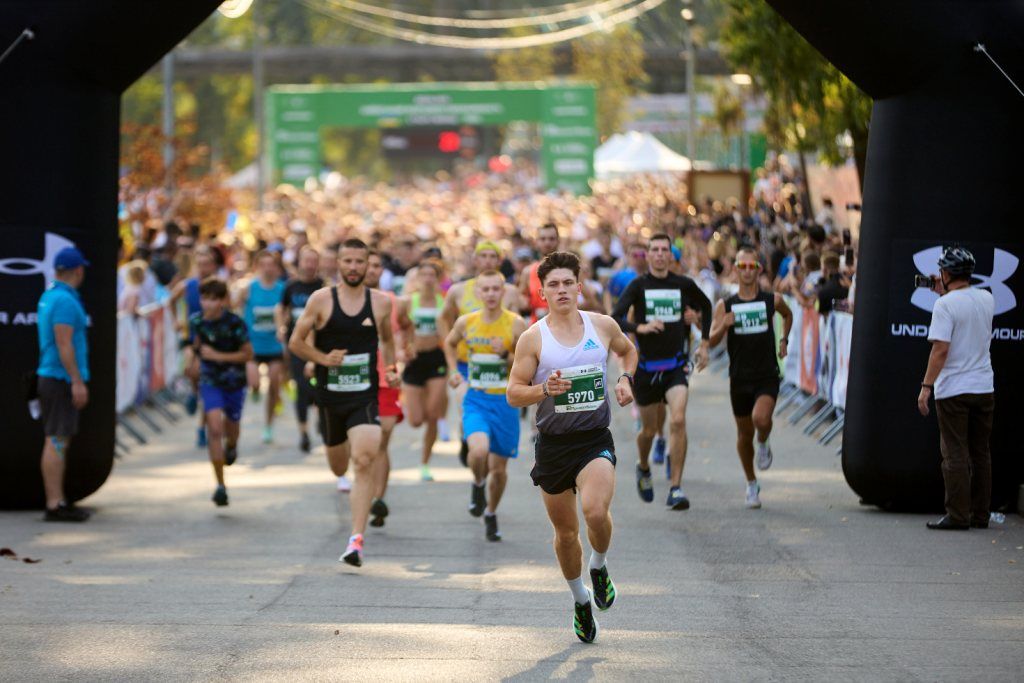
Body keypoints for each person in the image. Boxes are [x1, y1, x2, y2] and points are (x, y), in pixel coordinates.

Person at [507, 251, 638, 644]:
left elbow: (628, 351)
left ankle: (599, 565)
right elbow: (513, 393)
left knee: (595, 511)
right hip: (553, 445)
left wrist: (625, 379)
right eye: (554, 284)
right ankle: (580, 599)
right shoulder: (533, 338)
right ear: (543, 293)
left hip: (594, 437)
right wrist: (544, 389)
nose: (562, 290)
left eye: (568, 282)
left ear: (579, 287)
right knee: (566, 534)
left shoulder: (602, 325)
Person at [288, 238, 399, 566]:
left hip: (364, 396)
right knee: (339, 466)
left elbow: (387, 340)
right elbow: (296, 342)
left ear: (367, 265)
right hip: (330, 398)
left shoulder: (380, 303)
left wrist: (392, 369)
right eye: (347, 261)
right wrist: (323, 359)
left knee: (364, 460)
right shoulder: (321, 300)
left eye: (359, 261)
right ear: (338, 264)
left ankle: (356, 540)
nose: (353, 267)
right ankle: (342, 449)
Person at [610, 234, 712, 510]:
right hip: (646, 369)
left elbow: (705, 305)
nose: (658, 254)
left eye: (663, 250)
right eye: (653, 249)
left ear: (670, 255)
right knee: (649, 430)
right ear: (648, 255)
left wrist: (704, 343)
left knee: (678, 420)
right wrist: (640, 328)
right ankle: (643, 465)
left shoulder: (682, 284)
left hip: (675, 367)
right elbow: (616, 317)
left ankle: (676, 488)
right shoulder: (638, 285)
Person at [443, 270, 527, 541]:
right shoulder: (467, 322)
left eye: (495, 289)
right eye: (485, 289)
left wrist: (505, 354)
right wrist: (453, 371)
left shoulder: (515, 324)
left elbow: (528, 361)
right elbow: (449, 343)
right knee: (478, 452)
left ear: (503, 292)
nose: (490, 294)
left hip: (505, 403)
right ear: (478, 292)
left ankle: (491, 512)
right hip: (476, 399)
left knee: (499, 470)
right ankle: (478, 484)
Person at [708, 247, 793, 509]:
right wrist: (724, 325)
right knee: (744, 435)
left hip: (766, 374)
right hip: (739, 378)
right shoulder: (725, 305)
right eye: (742, 266)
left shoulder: (772, 300)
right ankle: (751, 483)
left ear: (759, 269)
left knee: (761, 419)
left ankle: (764, 440)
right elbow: (711, 341)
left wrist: (783, 339)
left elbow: (788, 314)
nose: (746, 271)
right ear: (735, 269)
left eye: (751, 266)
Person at [918, 246, 995, 531]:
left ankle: (958, 515)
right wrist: (945, 294)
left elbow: (940, 349)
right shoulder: (987, 298)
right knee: (980, 453)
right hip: (984, 386)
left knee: (954, 453)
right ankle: (981, 514)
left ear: (946, 273)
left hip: (953, 389)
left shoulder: (945, 306)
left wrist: (926, 386)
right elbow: (966, 312)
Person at [439, 240, 522, 465]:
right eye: (483, 256)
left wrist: (508, 354)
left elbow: (517, 335)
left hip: (501, 367)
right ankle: (471, 437)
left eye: (492, 256)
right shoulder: (458, 290)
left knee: (496, 450)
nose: (488, 261)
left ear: (500, 260)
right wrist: (452, 356)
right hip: (467, 364)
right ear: (475, 260)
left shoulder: (511, 292)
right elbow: (444, 319)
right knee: (465, 404)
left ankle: (478, 440)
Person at [36, 247, 92, 522]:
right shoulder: (65, 301)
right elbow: (64, 342)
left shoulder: (50, 296)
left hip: (53, 376)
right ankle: (55, 503)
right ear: (78, 270)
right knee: (56, 439)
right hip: (59, 379)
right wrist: (76, 381)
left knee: (57, 438)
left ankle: (57, 501)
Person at [188, 277, 253, 507]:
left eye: (214, 299)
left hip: (234, 381)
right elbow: (195, 345)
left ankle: (232, 446)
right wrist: (192, 363)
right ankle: (220, 485)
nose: (209, 304)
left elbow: (247, 354)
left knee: (231, 429)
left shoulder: (235, 323)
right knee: (215, 428)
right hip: (210, 381)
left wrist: (218, 356)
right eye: (205, 298)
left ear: (223, 300)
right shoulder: (196, 321)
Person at [365, 248, 415, 526]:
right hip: (356, 379)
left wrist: (407, 347)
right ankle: (364, 486)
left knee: (381, 439)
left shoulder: (393, 302)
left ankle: (378, 499)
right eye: (368, 265)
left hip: (386, 378)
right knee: (362, 443)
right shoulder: (343, 302)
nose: (372, 270)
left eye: (376, 266)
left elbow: (407, 327)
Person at [400, 259, 448, 482]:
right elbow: (400, 330)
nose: (428, 279)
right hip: (414, 361)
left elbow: (450, 334)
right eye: (424, 275)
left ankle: (425, 463)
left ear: (438, 279)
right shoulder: (409, 301)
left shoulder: (443, 302)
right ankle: (413, 404)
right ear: (418, 278)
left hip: (436, 359)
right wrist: (402, 351)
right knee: (416, 420)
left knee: (432, 415)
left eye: (432, 275)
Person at [278, 245, 323, 453]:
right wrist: (281, 327)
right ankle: (303, 432)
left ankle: (321, 416)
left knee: (318, 386)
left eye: (314, 261)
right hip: (297, 344)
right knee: (302, 387)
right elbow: (281, 308)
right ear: (300, 262)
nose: (310, 265)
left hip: (320, 345)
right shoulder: (291, 286)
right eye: (307, 260)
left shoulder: (323, 287)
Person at [238, 250, 286, 444]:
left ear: (276, 267)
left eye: (271, 264)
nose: (267, 268)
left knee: (274, 384)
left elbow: (287, 312)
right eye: (263, 264)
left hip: (274, 346)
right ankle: (256, 390)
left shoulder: (282, 289)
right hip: (253, 346)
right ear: (257, 267)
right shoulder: (249, 288)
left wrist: (283, 326)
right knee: (255, 383)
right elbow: (235, 308)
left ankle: (268, 425)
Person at [170, 246, 218, 441]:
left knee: (209, 385)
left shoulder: (219, 287)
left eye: (207, 264)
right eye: (200, 264)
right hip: (191, 338)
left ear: (213, 266)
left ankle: (201, 427)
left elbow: (229, 308)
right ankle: (193, 391)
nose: (203, 268)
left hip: (213, 342)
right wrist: (176, 321)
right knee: (192, 371)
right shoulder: (188, 285)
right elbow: (170, 300)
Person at [519, 222, 561, 323]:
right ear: (536, 242)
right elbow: (520, 296)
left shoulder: (571, 268)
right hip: (538, 325)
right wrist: (525, 302)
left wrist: (566, 308)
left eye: (551, 239)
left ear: (558, 241)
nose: (547, 243)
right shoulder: (528, 271)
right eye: (543, 239)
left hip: (565, 326)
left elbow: (591, 301)